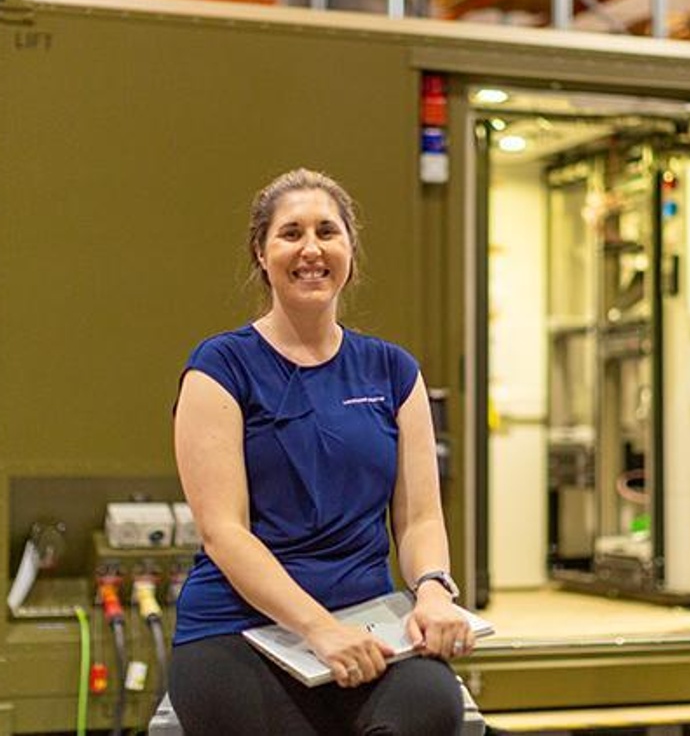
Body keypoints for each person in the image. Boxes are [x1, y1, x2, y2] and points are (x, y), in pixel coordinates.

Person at [168, 168, 473, 735]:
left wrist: (432, 592)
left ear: (350, 251)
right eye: (291, 233)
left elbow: (420, 518)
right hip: (236, 634)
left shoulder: (393, 370)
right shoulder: (219, 369)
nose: (311, 249)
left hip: (367, 628)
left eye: (327, 232)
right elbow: (224, 534)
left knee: (432, 708)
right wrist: (317, 628)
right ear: (261, 253)